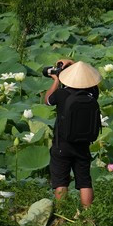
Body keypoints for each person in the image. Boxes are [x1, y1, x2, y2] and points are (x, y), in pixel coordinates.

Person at [44, 59, 103, 208]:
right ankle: (88, 214)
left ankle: (63, 214)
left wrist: (56, 80)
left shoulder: (62, 94)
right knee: (84, 181)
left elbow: (47, 100)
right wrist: (75, 64)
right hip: (83, 145)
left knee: (61, 181)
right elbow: (88, 79)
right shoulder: (92, 94)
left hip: (62, 144)